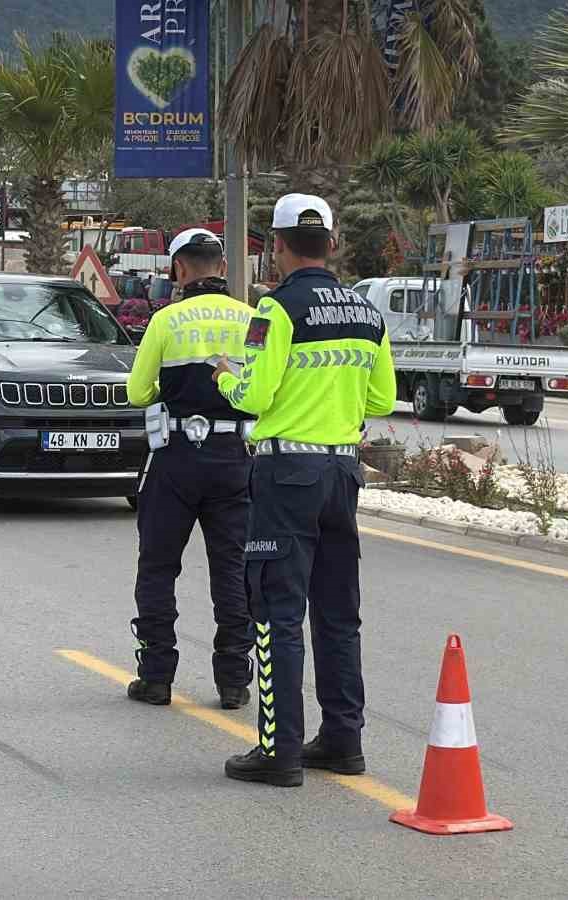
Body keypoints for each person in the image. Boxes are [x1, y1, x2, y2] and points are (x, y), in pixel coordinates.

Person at [212, 194, 397, 786]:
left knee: (275, 612)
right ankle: (343, 740)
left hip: (286, 473)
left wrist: (223, 373)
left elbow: (254, 396)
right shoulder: (368, 313)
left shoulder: (275, 309)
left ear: (277, 246)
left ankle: (279, 750)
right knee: (339, 613)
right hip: (343, 474)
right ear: (333, 244)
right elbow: (381, 401)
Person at [124, 229, 257, 711]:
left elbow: (138, 394)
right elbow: (264, 390)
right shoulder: (252, 319)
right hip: (235, 459)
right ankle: (233, 682)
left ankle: (156, 675)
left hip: (176, 456)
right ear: (222, 266)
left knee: (158, 565)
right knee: (233, 568)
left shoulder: (166, 320)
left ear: (178, 269)